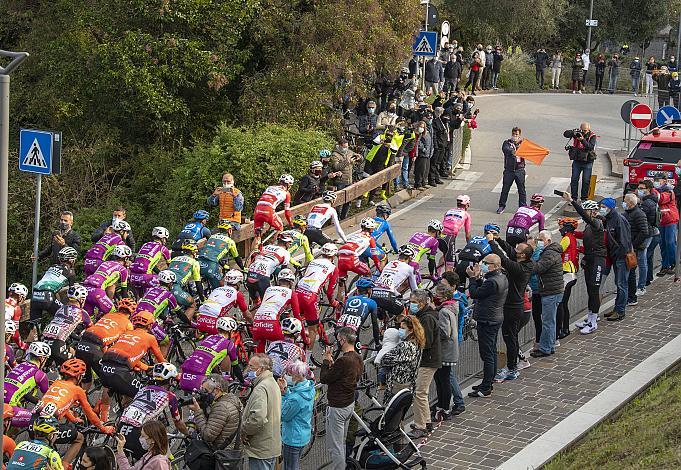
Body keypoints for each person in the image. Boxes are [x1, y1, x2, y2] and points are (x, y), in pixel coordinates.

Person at [33, 359, 115, 465]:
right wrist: (104, 428)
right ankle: (64, 466)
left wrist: (73, 419)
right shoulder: (78, 390)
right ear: (79, 376)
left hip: (33, 422)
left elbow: (58, 405)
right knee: (79, 438)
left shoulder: (56, 383)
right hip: (46, 427)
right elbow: (91, 415)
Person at [118, 363, 189, 460]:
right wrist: (188, 434)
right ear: (171, 380)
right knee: (154, 462)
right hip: (138, 433)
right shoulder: (169, 396)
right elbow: (178, 423)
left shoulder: (143, 389)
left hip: (121, 427)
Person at [488, 236, 533, 382]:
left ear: (523, 255)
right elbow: (509, 251)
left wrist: (491, 242)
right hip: (511, 306)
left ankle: (512, 368)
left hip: (513, 309)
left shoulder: (520, 269)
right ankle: (512, 366)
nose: (515, 250)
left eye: (518, 249)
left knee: (510, 338)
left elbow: (504, 259)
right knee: (511, 337)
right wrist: (499, 239)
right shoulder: (521, 260)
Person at [320, 328, 363, 470]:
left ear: (343, 340)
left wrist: (326, 362)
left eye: (338, 339)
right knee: (342, 442)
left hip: (338, 406)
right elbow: (343, 376)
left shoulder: (344, 360)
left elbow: (325, 378)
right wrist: (333, 366)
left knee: (335, 446)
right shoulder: (357, 357)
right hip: (349, 404)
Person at [564, 195, 607, 334]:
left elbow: (584, 215)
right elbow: (584, 236)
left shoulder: (596, 222)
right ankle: (589, 318)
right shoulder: (589, 225)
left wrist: (572, 201)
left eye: (587, 211)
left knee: (594, 290)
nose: (585, 214)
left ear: (593, 212)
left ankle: (594, 321)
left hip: (598, 260)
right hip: (589, 259)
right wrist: (572, 232)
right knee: (589, 289)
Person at [465, 254, 507, 397]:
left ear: (495, 266)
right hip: (494, 317)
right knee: (491, 351)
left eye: (485, 263)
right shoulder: (500, 277)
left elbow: (475, 293)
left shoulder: (492, 281)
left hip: (488, 320)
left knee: (487, 353)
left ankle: (486, 386)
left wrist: (472, 278)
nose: (482, 265)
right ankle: (487, 381)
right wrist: (478, 278)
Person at [406, 290, 440, 438]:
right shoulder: (423, 316)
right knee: (421, 393)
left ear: (422, 303)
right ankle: (426, 422)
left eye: (414, 302)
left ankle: (421, 426)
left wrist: (411, 341)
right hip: (427, 359)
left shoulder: (427, 318)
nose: (411, 304)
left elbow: (425, 342)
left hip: (428, 360)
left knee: (420, 392)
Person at [180, 316, 245, 391]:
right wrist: (243, 381)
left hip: (184, 373)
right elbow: (236, 367)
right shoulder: (229, 345)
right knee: (217, 396)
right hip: (201, 377)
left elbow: (207, 358)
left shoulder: (209, 337)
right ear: (230, 331)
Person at [295, 243, 339, 350]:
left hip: (297, 292)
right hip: (310, 296)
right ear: (333, 256)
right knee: (312, 329)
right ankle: (308, 359)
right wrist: (333, 303)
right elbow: (329, 292)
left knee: (296, 322)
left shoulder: (313, 262)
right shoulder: (333, 268)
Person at [242, 354, 282, 470]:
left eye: (251, 367)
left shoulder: (261, 388)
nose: (248, 370)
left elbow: (257, 418)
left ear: (261, 369)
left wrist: (245, 430)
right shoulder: (272, 382)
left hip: (261, 448)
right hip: (270, 445)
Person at [530, 231, 564, 357]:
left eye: (541, 240)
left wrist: (530, 259)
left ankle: (545, 348)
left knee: (548, 321)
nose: (538, 242)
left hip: (551, 291)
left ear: (548, 241)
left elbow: (538, 268)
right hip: (550, 290)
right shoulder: (549, 252)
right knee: (549, 321)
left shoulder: (550, 253)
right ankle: (549, 345)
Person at [599, 197, 633, 322]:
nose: (601, 209)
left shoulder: (618, 219)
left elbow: (624, 241)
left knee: (621, 284)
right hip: (615, 256)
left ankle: (620, 311)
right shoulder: (608, 219)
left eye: (603, 207)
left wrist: (619, 255)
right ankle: (617, 308)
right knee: (619, 284)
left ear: (610, 208)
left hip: (621, 257)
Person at [42, 284, 91, 367]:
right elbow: (92, 330)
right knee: (77, 367)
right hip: (57, 344)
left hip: (44, 342)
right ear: (81, 300)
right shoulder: (82, 313)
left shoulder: (60, 309)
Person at [278, 360, 315, 470]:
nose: (288, 377)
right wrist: (286, 391)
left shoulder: (296, 398)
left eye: (290, 374)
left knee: (290, 466)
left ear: (298, 376)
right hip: (302, 435)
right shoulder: (308, 388)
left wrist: (282, 395)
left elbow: (284, 415)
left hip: (292, 438)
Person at [190, 374, 242, 450]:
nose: (203, 394)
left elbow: (208, 436)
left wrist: (198, 412)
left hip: (218, 453)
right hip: (229, 448)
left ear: (217, 390)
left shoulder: (221, 407)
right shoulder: (231, 399)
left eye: (205, 391)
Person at [29, 246, 78, 325]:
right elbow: (71, 293)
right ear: (71, 260)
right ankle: (53, 335)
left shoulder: (52, 267)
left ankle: (34, 335)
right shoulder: (71, 272)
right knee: (65, 317)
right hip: (47, 296)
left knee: (34, 327)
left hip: (35, 295)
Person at [432, 283, 459, 421]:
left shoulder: (443, 311)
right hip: (450, 350)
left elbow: (444, 333)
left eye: (437, 294)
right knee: (443, 380)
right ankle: (443, 407)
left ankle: (443, 408)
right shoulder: (453, 307)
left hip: (444, 351)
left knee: (442, 381)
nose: (435, 296)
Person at [197, 220, 245, 289]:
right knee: (220, 287)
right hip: (211, 264)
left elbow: (213, 252)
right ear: (229, 231)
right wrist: (243, 268)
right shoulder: (230, 241)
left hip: (199, 261)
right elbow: (236, 257)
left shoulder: (212, 237)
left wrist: (223, 265)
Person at [623, 194, 650, 306]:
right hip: (628, 246)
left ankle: (632, 297)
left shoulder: (639, 214)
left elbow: (644, 232)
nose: (623, 203)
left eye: (625, 201)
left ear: (630, 203)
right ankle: (629, 295)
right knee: (628, 272)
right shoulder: (626, 213)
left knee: (631, 272)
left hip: (633, 248)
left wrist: (633, 245)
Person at [555, 218, 580, 339]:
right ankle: (565, 329)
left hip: (567, 273)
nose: (560, 228)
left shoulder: (566, 238)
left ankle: (561, 330)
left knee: (561, 303)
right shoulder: (572, 237)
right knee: (564, 303)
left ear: (567, 227)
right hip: (572, 272)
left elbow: (557, 251)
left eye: (561, 226)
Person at [129, 226, 172, 294]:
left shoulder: (145, 245)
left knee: (139, 299)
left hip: (132, 276)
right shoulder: (163, 249)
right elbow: (170, 266)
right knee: (164, 285)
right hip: (145, 277)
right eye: (166, 239)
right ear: (163, 238)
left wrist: (159, 272)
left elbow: (147, 262)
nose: (166, 241)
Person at [329, 139, 362, 219]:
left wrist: (359, 157)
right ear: (340, 146)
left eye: (347, 147)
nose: (346, 148)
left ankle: (344, 217)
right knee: (339, 201)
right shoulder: (335, 155)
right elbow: (336, 167)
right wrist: (347, 161)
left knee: (348, 200)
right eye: (344, 147)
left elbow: (360, 160)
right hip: (339, 181)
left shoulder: (349, 152)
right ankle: (337, 217)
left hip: (349, 180)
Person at [564, 122, 597, 201]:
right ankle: (574, 198)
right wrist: (573, 132)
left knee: (586, 180)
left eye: (585, 130)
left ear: (589, 129)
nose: (583, 132)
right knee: (574, 179)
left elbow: (590, 147)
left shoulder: (592, 136)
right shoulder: (577, 133)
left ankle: (584, 198)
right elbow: (565, 134)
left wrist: (582, 140)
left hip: (588, 161)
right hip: (577, 160)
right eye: (582, 130)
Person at [497, 127, 526, 214]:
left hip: (519, 170)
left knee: (521, 190)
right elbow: (505, 149)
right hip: (509, 170)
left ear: (519, 135)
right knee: (505, 189)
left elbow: (532, 151)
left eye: (516, 134)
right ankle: (501, 206)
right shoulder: (507, 143)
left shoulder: (523, 144)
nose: (515, 136)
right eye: (513, 134)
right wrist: (512, 151)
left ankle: (522, 207)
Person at [637, 180, 660, 290]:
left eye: (641, 188)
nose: (639, 190)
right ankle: (648, 279)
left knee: (643, 259)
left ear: (648, 190)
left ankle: (642, 285)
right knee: (648, 257)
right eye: (639, 188)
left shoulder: (647, 203)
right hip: (653, 232)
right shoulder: (649, 200)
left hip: (648, 234)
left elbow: (643, 221)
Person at [654, 176, 679, 276]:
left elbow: (661, 199)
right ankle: (665, 266)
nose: (656, 183)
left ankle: (673, 263)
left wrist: (652, 191)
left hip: (670, 220)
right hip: (661, 221)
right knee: (662, 244)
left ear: (664, 181)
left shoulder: (668, 191)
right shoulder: (657, 190)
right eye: (654, 181)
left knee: (670, 242)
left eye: (658, 181)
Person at [413, 119, 433, 190]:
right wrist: (423, 149)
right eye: (420, 126)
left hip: (428, 154)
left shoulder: (428, 133)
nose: (422, 128)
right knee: (420, 170)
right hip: (422, 154)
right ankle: (418, 184)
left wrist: (431, 151)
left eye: (423, 127)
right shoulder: (418, 134)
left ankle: (423, 182)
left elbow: (431, 143)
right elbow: (418, 143)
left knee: (426, 170)